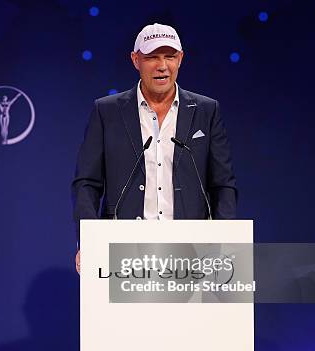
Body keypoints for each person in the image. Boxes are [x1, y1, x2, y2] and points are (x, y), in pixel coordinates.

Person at [72, 23, 237, 273]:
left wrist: (225, 242)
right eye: (152, 57)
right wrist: (89, 241)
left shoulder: (206, 110)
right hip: (124, 253)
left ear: (180, 59)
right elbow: (87, 184)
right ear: (135, 60)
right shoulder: (107, 111)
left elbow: (223, 184)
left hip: (191, 253)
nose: (162, 66)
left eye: (169, 56)